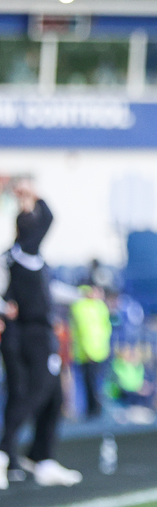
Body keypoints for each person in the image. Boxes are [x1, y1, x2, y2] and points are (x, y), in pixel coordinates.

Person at [0, 177, 82, 489]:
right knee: (42, 393)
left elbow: (42, 290)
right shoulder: (26, 252)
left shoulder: (13, 256)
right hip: (34, 333)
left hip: (18, 333)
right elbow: (48, 219)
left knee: (29, 394)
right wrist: (34, 196)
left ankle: (37, 457)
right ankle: (8, 449)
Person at [70, 285, 112, 418]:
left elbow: (105, 328)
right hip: (87, 352)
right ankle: (92, 410)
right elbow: (85, 331)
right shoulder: (81, 306)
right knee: (90, 382)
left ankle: (96, 409)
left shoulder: (99, 306)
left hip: (100, 350)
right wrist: (88, 350)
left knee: (98, 381)